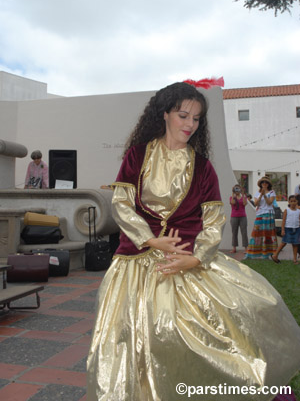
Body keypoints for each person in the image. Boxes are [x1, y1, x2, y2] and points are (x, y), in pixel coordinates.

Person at [87, 82, 300, 401]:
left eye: (196, 118)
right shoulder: (138, 156)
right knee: (127, 343)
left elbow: (214, 220)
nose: (189, 124)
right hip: (134, 264)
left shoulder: (203, 168)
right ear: (165, 115)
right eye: (183, 115)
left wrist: (196, 258)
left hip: (186, 262)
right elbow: (121, 202)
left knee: (205, 334)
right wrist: (149, 239)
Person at [245, 176, 278, 259]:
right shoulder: (257, 193)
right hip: (260, 214)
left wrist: (265, 195)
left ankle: (267, 254)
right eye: (263, 182)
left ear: (268, 184)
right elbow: (255, 204)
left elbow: (270, 203)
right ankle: (253, 253)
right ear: (260, 184)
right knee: (256, 233)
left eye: (266, 182)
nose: (264, 184)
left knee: (268, 234)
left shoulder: (272, 192)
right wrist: (260, 195)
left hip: (269, 214)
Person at [272, 195, 300, 264]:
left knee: (295, 244)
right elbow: (283, 221)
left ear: (297, 202)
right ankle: (275, 255)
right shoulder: (286, 210)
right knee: (283, 243)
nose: (293, 203)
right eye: (291, 201)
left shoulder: (298, 211)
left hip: (296, 229)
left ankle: (295, 259)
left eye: (294, 201)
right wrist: (283, 230)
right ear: (289, 202)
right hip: (288, 229)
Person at [229, 184, 248, 253]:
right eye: (236, 189)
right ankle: (234, 248)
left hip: (243, 216)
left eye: (238, 189)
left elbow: (245, 203)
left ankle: (246, 248)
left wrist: (242, 194)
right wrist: (233, 192)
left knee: (244, 232)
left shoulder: (244, 197)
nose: (237, 190)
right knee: (234, 232)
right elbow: (232, 203)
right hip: (234, 216)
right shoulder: (232, 197)